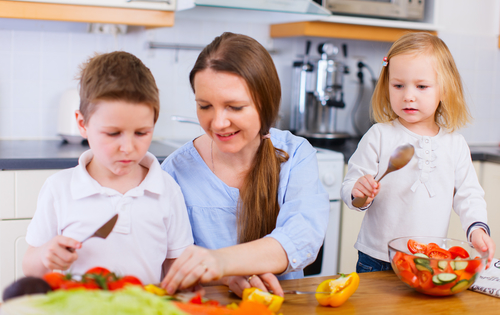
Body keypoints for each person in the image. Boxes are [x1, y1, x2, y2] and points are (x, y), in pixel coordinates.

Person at [160, 32, 330, 297]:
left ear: (265, 103)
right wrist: (228, 278)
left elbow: (303, 236)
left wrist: (220, 262)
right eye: (205, 106)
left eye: (235, 107)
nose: (217, 123)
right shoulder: (175, 171)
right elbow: (172, 265)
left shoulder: (295, 155)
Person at [22, 51, 193, 285]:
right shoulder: (59, 189)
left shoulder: (167, 189)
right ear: (82, 124)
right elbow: (31, 269)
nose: (128, 147)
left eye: (142, 133)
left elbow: (177, 267)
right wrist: (45, 255)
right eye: (113, 133)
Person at [341, 32, 496, 273]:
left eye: (422, 86)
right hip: (377, 259)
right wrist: (358, 192)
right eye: (398, 85)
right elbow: (351, 189)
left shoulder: (454, 144)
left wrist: (476, 229)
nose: (408, 96)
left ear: (444, 90)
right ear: (387, 86)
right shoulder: (379, 135)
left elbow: (469, 194)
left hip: (427, 260)